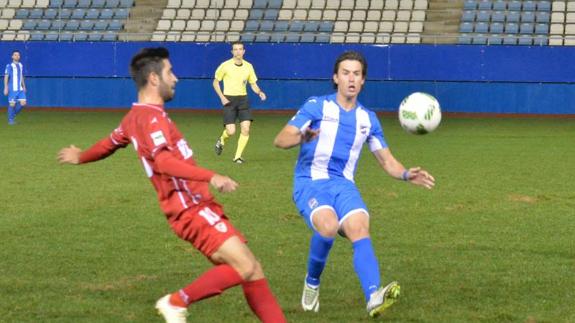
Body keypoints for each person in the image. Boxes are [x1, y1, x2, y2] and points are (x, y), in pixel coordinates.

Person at [58, 47, 286, 323]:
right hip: (189, 207)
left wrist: (80, 156)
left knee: (252, 269)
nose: (175, 78)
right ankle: (176, 302)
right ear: (154, 78)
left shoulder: (135, 117)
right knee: (246, 266)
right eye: (170, 72)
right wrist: (212, 176)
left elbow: (108, 145)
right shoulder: (150, 118)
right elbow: (163, 162)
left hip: (194, 206)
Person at [273, 51, 435, 318]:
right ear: (335, 78)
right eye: (345, 73)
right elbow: (281, 139)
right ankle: (312, 283)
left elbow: (386, 161)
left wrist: (406, 174)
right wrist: (301, 137)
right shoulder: (316, 106)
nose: (351, 78)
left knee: (359, 227)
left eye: (356, 74)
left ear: (362, 82)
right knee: (327, 226)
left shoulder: (368, 119)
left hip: (343, 185)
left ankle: (373, 295)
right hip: (310, 182)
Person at [212, 41, 266, 164]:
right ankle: (222, 139)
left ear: (244, 51)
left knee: (246, 129)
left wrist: (259, 92)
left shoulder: (248, 66)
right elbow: (215, 82)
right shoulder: (225, 65)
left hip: (243, 100)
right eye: (235, 49)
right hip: (229, 100)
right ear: (232, 52)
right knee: (231, 131)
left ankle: (237, 157)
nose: (238, 51)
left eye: (240, 49)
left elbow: (253, 83)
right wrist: (222, 97)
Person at [4, 50, 27, 125]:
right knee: (12, 104)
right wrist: (6, 87)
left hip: (20, 89)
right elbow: (6, 77)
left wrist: (24, 86)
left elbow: (21, 76)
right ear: (12, 56)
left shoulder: (21, 65)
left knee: (23, 103)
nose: (17, 56)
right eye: (15, 55)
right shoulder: (9, 66)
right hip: (12, 88)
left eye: (18, 55)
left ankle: (12, 115)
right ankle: (11, 120)